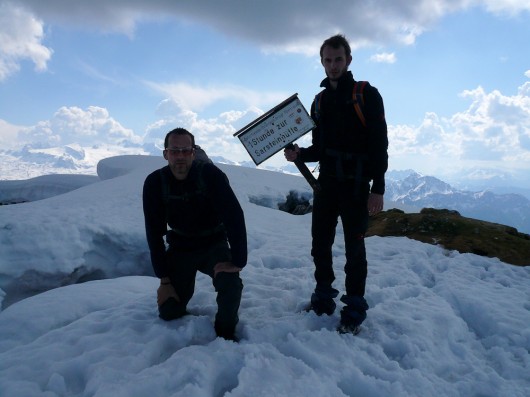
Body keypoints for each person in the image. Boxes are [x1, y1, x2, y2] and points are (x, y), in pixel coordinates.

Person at [284, 34, 388, 334]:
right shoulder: (320, 101)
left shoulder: (367, 95)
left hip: (356, 185)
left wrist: (378, 188)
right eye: (328, 60)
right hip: (327, 184)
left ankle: (354, 306)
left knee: (355, 249)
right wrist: (299, 154)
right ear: (322, 62)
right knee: (321, 245)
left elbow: (379, 144)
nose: (333, 66)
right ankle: (323, 297)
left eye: (338, 59)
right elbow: (319, 147)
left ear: (349, 60)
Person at [143, 127, 247, 341]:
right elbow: (154, 233)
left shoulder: (210, 175)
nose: (180, 156)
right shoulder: (155, 183)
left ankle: (225, 335)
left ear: (193, 152)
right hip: (181, 247)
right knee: (169, 311)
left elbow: (234, 216)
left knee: (230, 283)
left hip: (214, 243)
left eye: (185, 150)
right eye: (174, 151)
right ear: (165, 154)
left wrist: (238, 261)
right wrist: (164, 280)